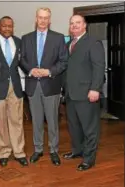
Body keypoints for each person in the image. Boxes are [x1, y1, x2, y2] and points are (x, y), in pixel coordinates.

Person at [20, 7, 68, 166]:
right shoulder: (26, 38)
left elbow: (63, 61)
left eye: (46, 18)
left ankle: (54, 150)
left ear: (49, 20)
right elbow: (22, 59)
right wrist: (30, 69)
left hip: (51, 84)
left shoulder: (58, 38)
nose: (42, 20)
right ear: (36, 18)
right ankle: (38, 149)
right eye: (40, 17)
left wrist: (49, 71)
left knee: (53, 120)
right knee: (36, 120)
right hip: (33, 85)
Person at [63, 14, 105, 171]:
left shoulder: (93, 42)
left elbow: (99, 67)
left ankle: (89, 159)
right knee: (74, 127)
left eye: (78, 23)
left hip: (87, 93)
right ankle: (77, 151)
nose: (74, 25)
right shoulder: (69, 43)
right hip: (71, 94)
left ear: (84, 25)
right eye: (72, 23)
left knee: (90, 128)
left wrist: (95, 89)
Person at [0, 16, 28, 167]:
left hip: (15, 87)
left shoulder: (18, 41)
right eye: (4, 26)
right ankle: (4, 152)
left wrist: (34, 71)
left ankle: (19, 152)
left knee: (16, 120)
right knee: (0, 122)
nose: (7, 29)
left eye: (10, 26)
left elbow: (22, 63)